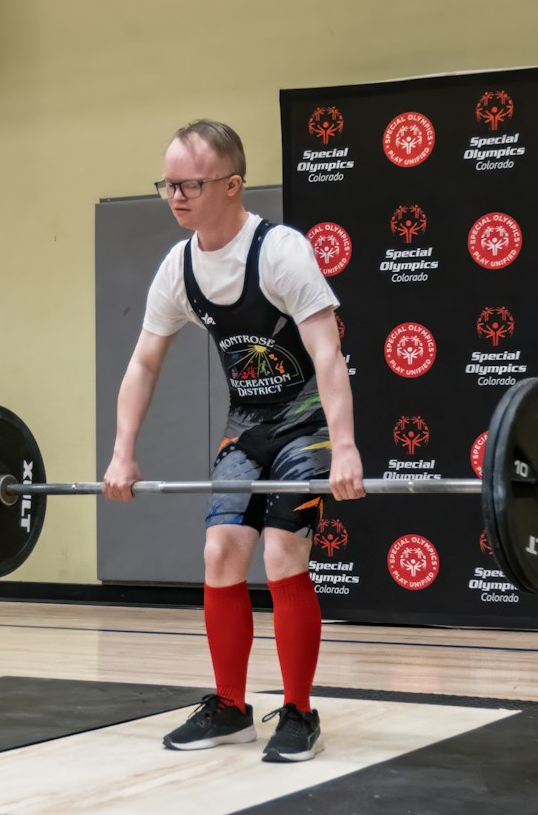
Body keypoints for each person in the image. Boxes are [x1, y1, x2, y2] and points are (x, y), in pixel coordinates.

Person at [104, 119, 364, 762]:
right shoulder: (178, 267)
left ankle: (300, 712)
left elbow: (328, 354)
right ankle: (230, 706)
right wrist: (122, 451)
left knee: (281, 557)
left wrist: (346, 444)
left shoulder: (280, 252)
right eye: (167, 183)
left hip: (305, 427)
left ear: (232, 184)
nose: (175, 195)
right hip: (247, 427)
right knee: (220, 553)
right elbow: (142, 363)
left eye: (190, 182)